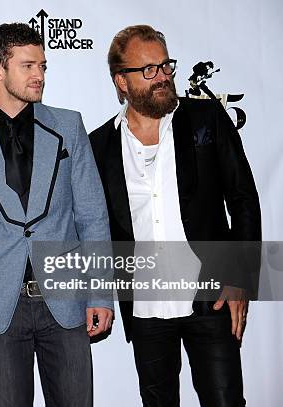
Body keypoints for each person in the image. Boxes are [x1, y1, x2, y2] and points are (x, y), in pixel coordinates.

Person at [88, 25, 261, 406]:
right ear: (121, 81)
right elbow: (93, 226)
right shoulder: (98, 146)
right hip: (145, 309)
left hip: (211, 297)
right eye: (148, 70)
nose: (163, 77)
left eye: (166, 66)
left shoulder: (206, 119)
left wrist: (239, 277)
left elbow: (242, 197)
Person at [0, 23, 113, 406]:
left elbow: (92, 215)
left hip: (66, 301)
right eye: (27, 65)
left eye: (42, 65)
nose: (38, 75)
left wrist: (101, 293)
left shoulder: (69, 127)